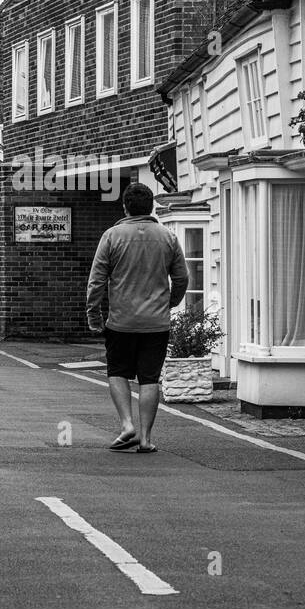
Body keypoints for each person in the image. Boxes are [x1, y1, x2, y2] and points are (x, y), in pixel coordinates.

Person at [85, 182, 188, 454]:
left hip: (121, 321)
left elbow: (96, 282)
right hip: (156, 322)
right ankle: (145, 438)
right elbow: (182, 277)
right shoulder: (168, 237)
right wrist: (170, 302)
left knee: (117, 371)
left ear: (125, 207)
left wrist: (94, 316)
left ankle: (127, 424)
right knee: (150, 378)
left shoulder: (112, 236)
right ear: (151, 206)